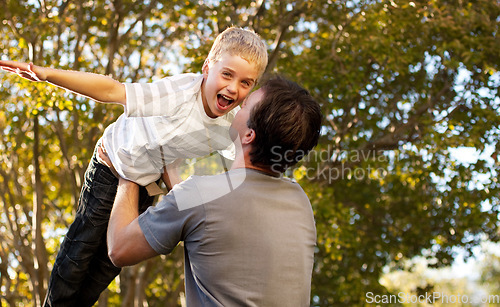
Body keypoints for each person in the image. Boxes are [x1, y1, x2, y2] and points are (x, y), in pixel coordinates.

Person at [0, 26, 268, 306]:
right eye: (227, 74)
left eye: (246, 83)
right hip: (112, 166)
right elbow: (112, 90)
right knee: (83, 248)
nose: (233, 88)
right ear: (207, 68)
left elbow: (245, 169)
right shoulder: (180, 92)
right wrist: (46, 74)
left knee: (107, 266)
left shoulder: (233, 124)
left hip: (144, 186)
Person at [106, 76, 322, 306]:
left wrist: (129, 170)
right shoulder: (299, 202)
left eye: (245, 106)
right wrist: (173, 173)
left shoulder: (199, 196)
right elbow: (221, 219)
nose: (238, 107)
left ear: (249, 135)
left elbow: (120, 249)